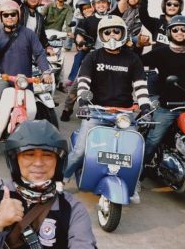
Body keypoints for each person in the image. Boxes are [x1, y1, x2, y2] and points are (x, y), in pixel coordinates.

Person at [0, 120, 97, 249]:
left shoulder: (71, 208)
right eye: (29, 154)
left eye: (47, 155)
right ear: (15, 160)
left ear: (58, 162)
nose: (38, 163)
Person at [64, 15, 151, 203]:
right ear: (101, 35)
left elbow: (140, 85)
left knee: (134, 152)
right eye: (107, 32)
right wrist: (84, 102)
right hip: (97, 110)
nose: (112, 35)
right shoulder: (93, 56)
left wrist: (144, 105)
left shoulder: (132, 58)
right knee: (80, 151)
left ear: (123, 33)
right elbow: (84, 81)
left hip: (124, 113)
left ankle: (133, 186)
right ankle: (62, 179)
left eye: (116, 31)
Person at [0, 0, 52, 141]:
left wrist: (46, 71)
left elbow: (39, 53)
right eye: (5, 15)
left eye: (13, 14)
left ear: (18, 15)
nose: (9, 17)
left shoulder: (29, 34)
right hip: (3, 78)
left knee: (34, 107)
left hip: (23, 80)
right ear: (1, 17)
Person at [141, 16, 185, 164]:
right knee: (153, 139)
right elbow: (135, 62)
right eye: (175, 29)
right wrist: (137, 45)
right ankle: (140, 173)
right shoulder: (161, 52)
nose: (179, 32)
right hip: (167, 105)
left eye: (184, 29)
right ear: (169, 32)